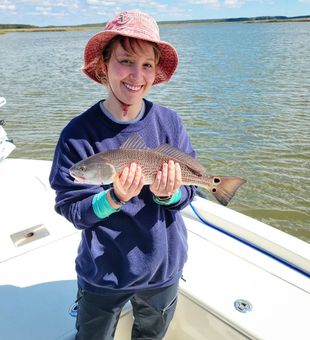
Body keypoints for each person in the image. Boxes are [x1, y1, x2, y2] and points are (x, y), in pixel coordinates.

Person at [49, 10, 197, 340]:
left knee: (150, 335)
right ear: (103, 65)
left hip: (162, 268)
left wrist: (168, 193)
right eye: (125, 61)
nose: (136, 75)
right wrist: (113, 198)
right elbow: (71, 208)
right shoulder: (77, 134)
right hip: (103, 272)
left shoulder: (169, 122)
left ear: (156, 70)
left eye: (146, 64)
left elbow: (189, 193)